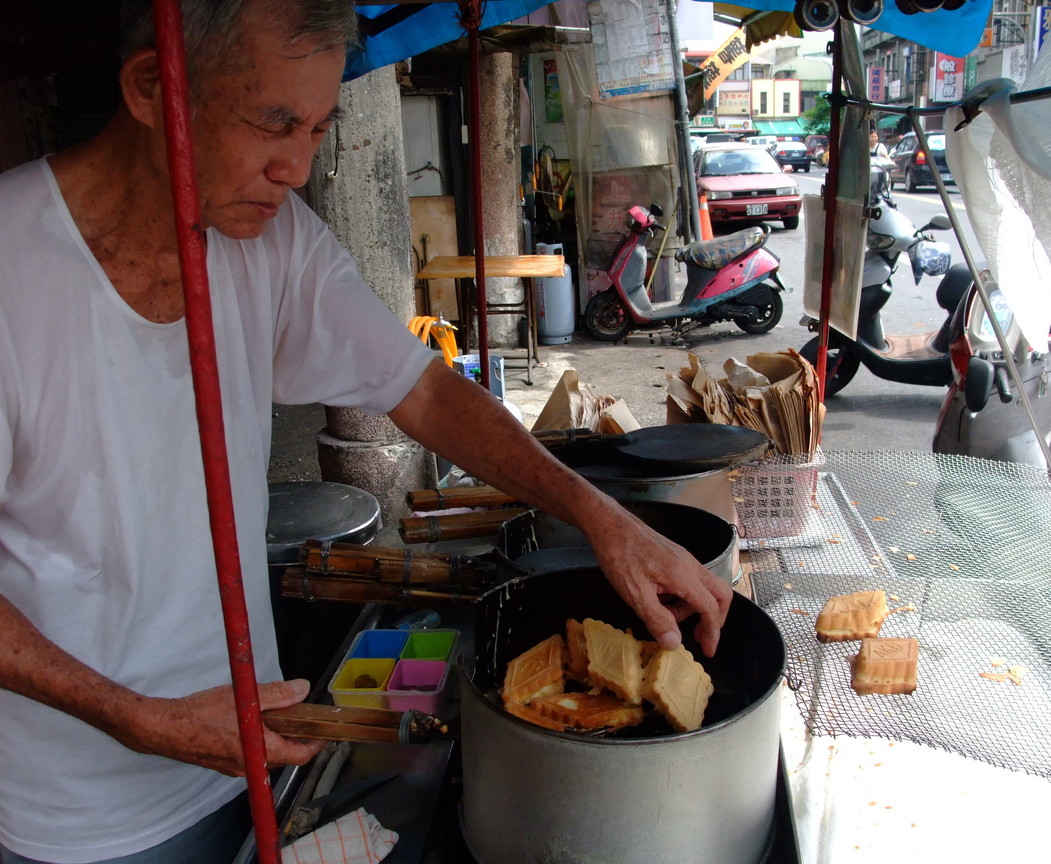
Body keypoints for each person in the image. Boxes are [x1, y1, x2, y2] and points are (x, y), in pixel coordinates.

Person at [0, 1, 733, 862]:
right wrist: (136, 719)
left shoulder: (268, 239)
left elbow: (421, 390)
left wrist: (604, 519)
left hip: (256, 749)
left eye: (319, 128)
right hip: (79, 813)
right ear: (153, 86)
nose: (297, 166)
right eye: (273, 122)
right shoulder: (16, 267)